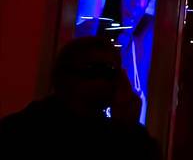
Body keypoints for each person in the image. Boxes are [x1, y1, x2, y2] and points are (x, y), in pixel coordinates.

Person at [0, 36, 160, 159]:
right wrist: (129, 129)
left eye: (113, 71)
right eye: (98, 70)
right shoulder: (29, 130)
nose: (112, 80)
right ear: (67, 77)